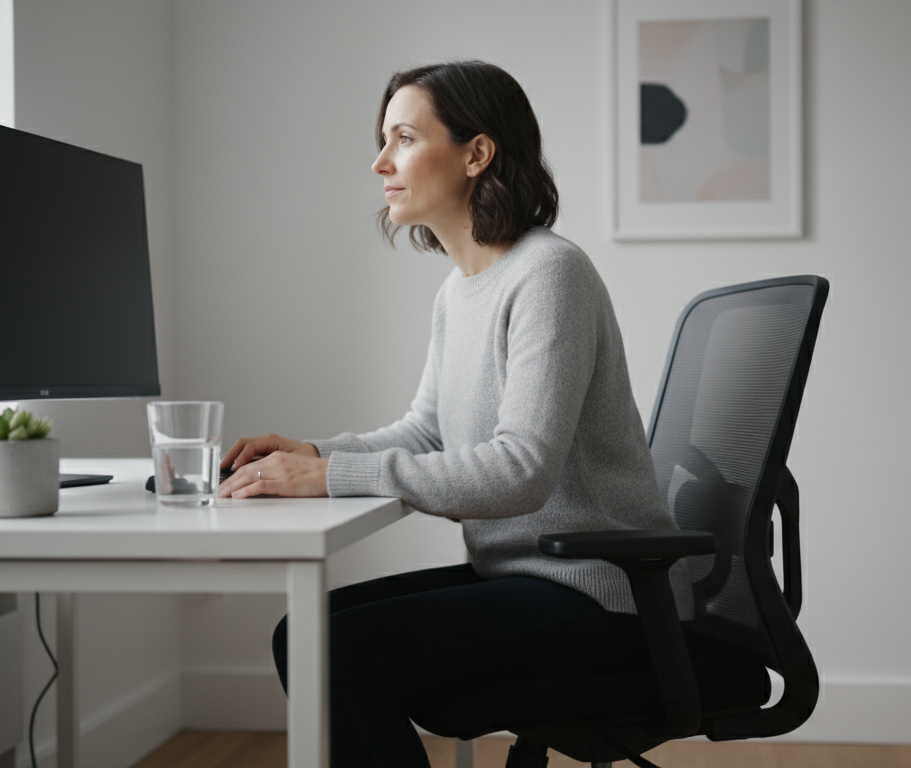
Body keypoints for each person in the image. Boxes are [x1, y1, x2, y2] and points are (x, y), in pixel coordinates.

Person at [216, 60, 691, 767]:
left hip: (602, 592)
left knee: (331, 650)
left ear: (476, 154)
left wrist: (331, 477)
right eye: (384, 140)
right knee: (303, 635)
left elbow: (521, 472)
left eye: (404, 138)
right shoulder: (460, 289)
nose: (380, 162)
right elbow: (427, 430)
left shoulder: (549, 273)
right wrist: (312, 454)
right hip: (524, 573)